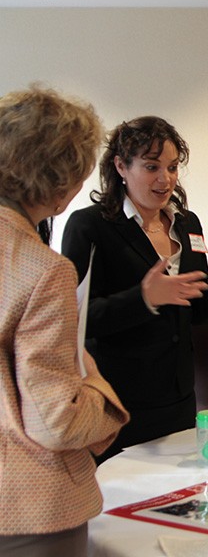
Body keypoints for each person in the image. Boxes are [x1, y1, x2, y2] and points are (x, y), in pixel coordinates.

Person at [0, 86, 129, 556]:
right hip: (26, 505)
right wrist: (99, 392)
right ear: (62, 182)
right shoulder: (44, 271)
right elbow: (56, 420)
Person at [62, 116, 208, 463]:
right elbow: (73, 320)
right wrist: (143, 299)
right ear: (121, 166)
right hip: (118, 400)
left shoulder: (188, 223)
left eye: (172, 167)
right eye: (151, 166)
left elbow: (196, 311)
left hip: (180, 396)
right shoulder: (90, 226)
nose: (165, 179)